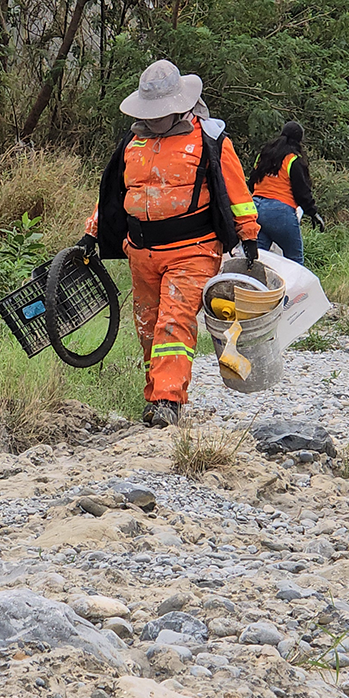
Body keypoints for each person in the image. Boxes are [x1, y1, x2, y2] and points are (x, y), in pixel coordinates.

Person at [78, 59, 260, 428]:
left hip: (193, 249)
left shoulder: (209, 141)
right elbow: (114, 194)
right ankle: (155, 394)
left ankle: (167, 400)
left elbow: (236, 193)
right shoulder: (133, 143)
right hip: (141, 252)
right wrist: (92, 232)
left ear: (180, 106)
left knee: (173, 323)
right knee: (148, 326)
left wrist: (249, 235)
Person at [249, 121, 324, 264]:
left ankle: (250, 285)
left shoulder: (264, 155)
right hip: (280, 211)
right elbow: (302, 191)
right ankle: (292, 287)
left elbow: (251, 182)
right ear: (299, 140)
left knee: (256, 261)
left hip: (256, 209)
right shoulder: (293, 160)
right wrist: (312, 212)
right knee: (295, 261)